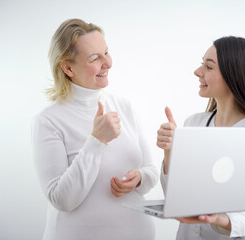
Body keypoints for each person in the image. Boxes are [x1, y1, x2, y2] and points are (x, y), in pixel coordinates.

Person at [31, 18, 158, 240]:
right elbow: (62, 200)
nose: (108, 63)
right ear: (68, 67)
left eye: (106, 53)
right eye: (95, 58)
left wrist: (138, 178)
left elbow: (151, 171)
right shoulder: (48, 121)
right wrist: (96, 141)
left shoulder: (124, 106)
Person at [157, 36, 245, 239]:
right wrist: (169, 151)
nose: (197, 72)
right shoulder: (193, 123)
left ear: (234, 74)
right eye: (202, 65)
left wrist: (217, 218)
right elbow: (174, 197)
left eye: (208, 67)